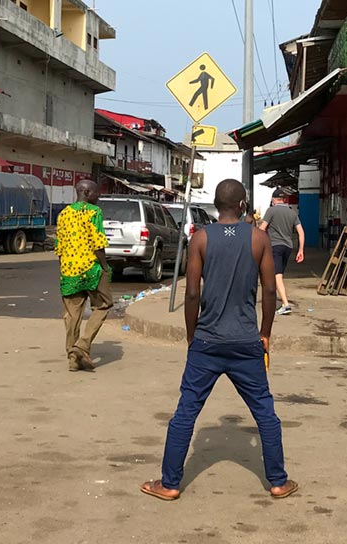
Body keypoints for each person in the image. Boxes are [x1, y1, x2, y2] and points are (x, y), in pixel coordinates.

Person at [141, 179, 298, 502]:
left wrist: (191, 336)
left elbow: (193, 293)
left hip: (207, 341)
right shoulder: (258, 239)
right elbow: (270, 291)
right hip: (245, 342)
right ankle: (278, 481)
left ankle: (169, 483)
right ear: (243, 205)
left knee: (186, 412)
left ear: (215, 204)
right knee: (265, 412)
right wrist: (265, 332)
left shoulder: (201, 239)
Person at [55, 179, 112, 372]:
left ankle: (72, 357)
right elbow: (98, 243)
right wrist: (105, 267)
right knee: (103, 305)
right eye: (97, 193)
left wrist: (63, 270)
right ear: (87, 193)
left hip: (69, 271)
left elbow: (59, 247)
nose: (99, 196)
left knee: (72, 316)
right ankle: (83, 344)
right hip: (92, 270)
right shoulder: (94, 212)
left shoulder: (63, 214)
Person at [259, 189, 305, 315]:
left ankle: (286, 304)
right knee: (277, 275)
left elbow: (262, 229)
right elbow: (301, 232)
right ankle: (275, 299)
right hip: (288, 247)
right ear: (284, 200)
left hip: (275, 247)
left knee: (277, 275)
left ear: (273, 199)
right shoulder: (292, 213)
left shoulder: (271, 210)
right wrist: (300, 250)